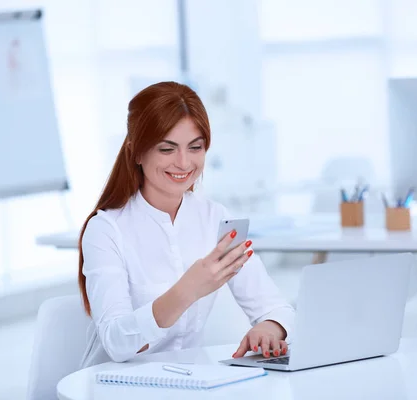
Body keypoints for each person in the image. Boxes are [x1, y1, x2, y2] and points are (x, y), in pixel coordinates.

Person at [78, 81, 294, 368]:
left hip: (188, 382)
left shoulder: (214, 218)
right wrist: (186, 290)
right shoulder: (106, 230)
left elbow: (278, 308)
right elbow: (117, 343)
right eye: (167, 149)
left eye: (195, 147)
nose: (183, 163)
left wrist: (269, 328)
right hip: (115, 384)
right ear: (137, 152)